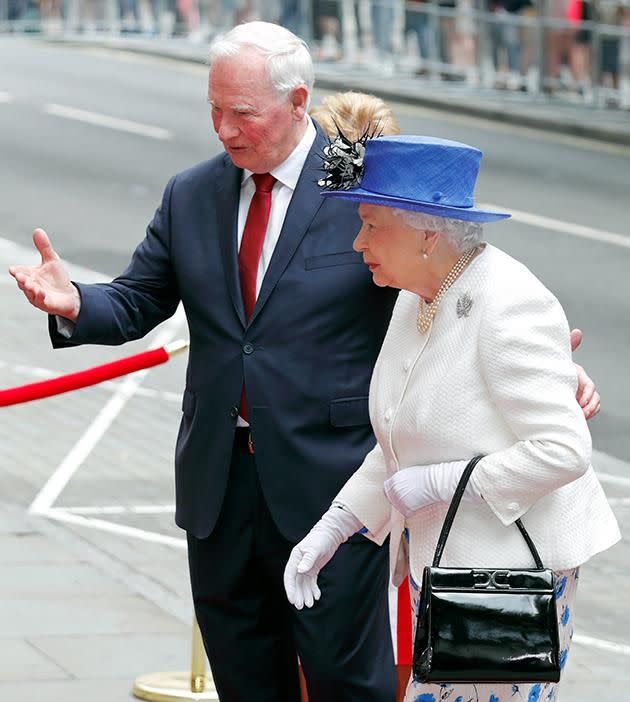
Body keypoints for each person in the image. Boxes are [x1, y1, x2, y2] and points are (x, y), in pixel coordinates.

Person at [8, 23, 598, 702]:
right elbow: (138, 300)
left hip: (335, 482)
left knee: (347, 684)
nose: (225, 130)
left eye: (243, 113)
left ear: (297, 102)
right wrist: (75, 302)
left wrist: (553, 368)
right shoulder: (192, 194)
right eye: (214, 110)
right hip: (218, 486)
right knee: (245, 676)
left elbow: (449, 279)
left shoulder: (358, 187)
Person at [284, 134, 620, 702]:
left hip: (508, 581)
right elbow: (397, 444)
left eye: (370, 224)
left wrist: (441, 483)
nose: (358, 240)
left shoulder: (509, 302)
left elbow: (563, 449)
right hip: (450, 577)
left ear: (426, 235)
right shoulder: (417, 296)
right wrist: (335, 527)